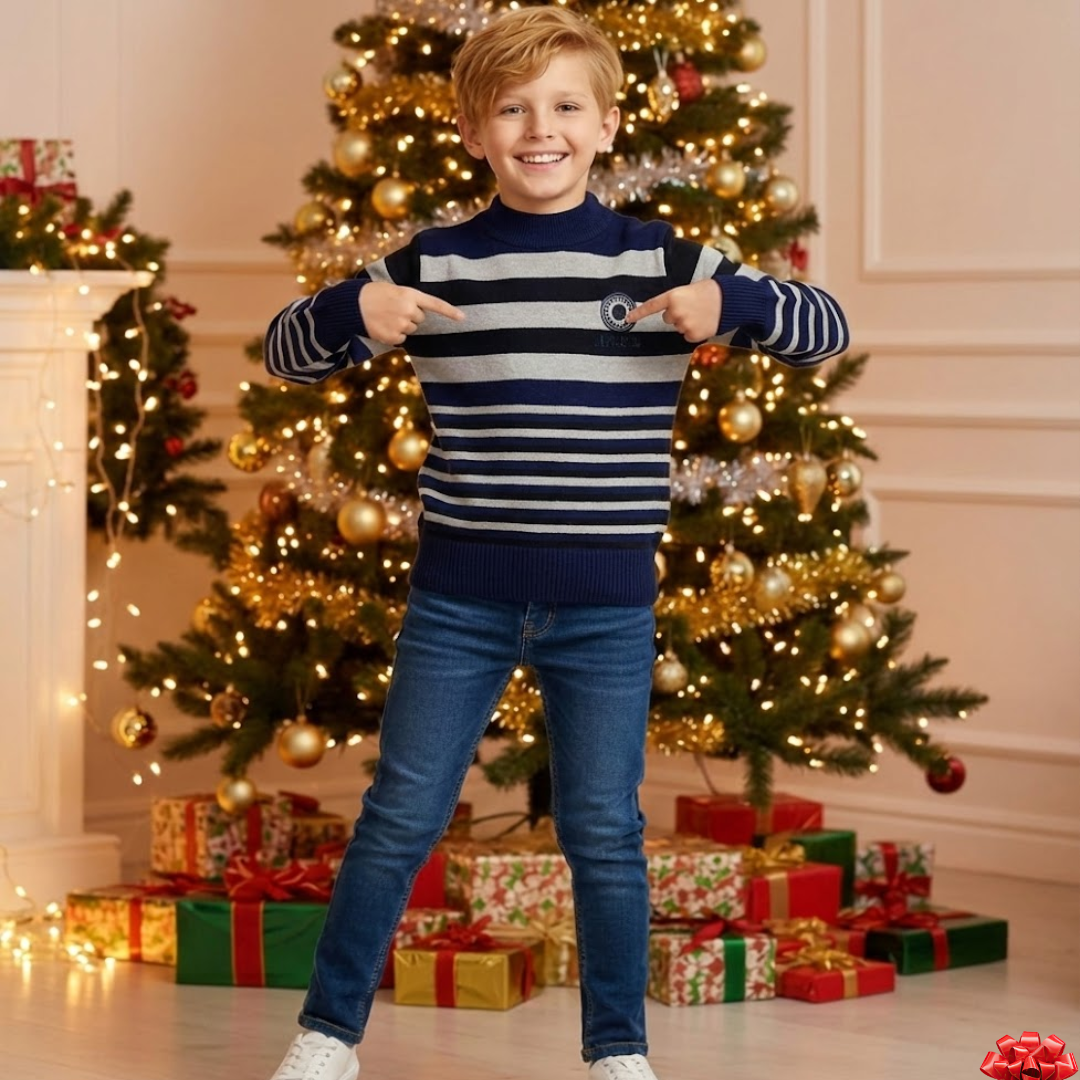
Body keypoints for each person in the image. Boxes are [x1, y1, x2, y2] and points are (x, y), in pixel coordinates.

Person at [263, 7, 848, 1079]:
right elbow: (285, 354)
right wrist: (356, 307)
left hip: (606, 604)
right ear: (475, 131)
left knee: (603, 833)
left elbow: (829, 329)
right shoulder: (431, 258)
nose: (542, 129)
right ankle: (327, 1035)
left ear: (609, 124)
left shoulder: (665, 253)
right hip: (459, 599)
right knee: (400, 815)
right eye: (513, 109)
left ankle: (616, 1050)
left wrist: (736, 299)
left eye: (566, 106)